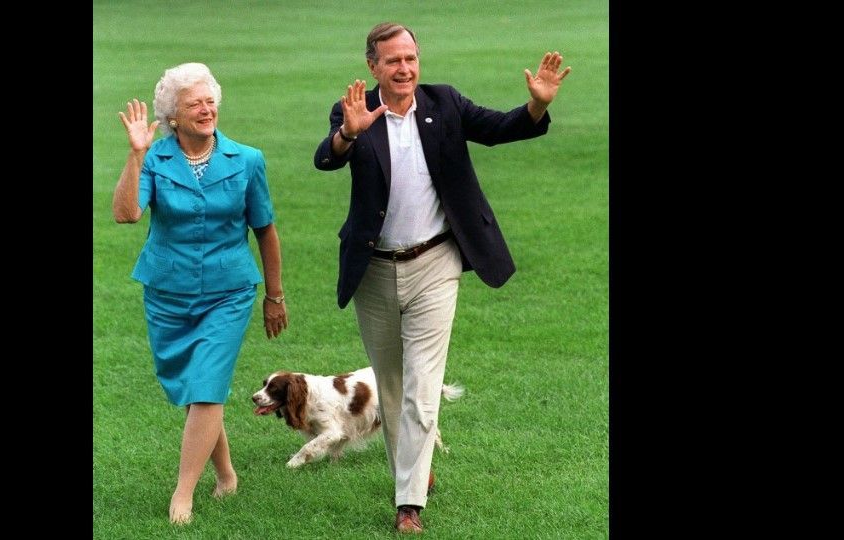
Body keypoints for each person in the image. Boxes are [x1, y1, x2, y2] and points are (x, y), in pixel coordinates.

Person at [313, 23, 570, 534]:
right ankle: (414, 467)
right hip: (374, 269)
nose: (404, 68)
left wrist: (537, 105)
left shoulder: (444, 102)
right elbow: (326, 158)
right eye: (392, 61)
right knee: (390, 386)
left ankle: (408, 503)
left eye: (410, 58)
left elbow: (500, 127)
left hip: (436, 262)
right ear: (372, 66)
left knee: (422, 386)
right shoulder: (355, 110)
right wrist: (348, 133)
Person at [113, 62, 288, 525]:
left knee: (208, 386)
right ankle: (226, 474)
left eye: (211, 101)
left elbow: (265, 230)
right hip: (167, 294)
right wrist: (135, 155)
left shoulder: (247, 160)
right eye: (194, 104)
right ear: (173, 116)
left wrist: (274, 296)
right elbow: (127, 214)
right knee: (195, 390)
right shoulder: (155, 159)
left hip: (228, 292)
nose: (206, 109)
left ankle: (183, 494)